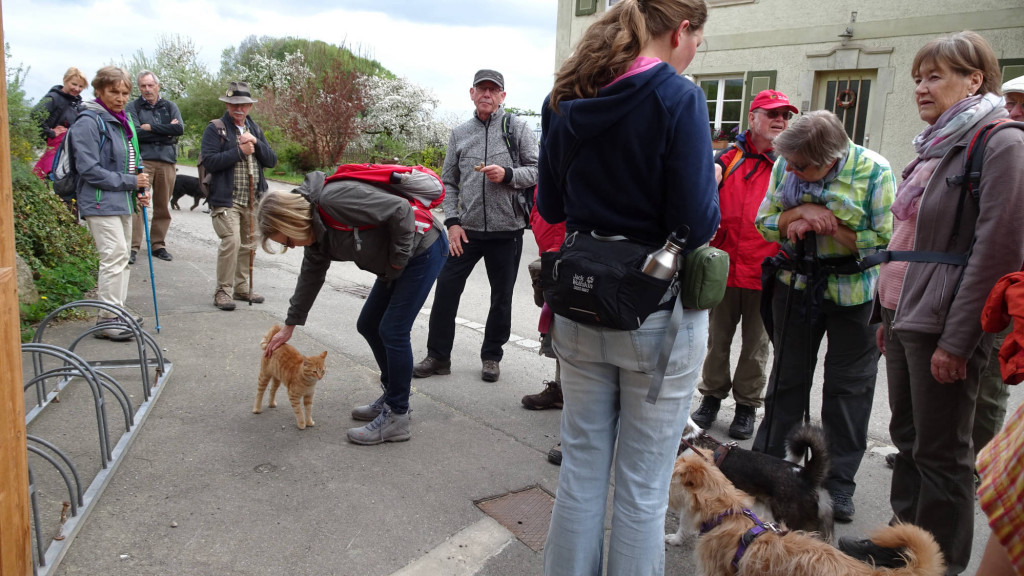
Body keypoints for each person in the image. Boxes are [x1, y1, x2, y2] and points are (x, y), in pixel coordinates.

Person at [537, 0, 719, 573]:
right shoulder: (678, 97)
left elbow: (550, 204)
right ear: (681, 30)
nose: (693, 54)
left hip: (580, 299)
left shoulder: (566, 96)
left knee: (582, 471)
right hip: (654, 310)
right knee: (641, 490)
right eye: (697, 41)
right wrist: (708, 177)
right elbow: (695, 221)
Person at [873, 31, 1024, 575]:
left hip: (944, 322)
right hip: (905, 311)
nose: (920, 87)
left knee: (942, 455)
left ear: (975, 79)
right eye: (917, 77)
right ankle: (902, 546)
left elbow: (997, 252)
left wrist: (959, 340)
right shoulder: (937, 144)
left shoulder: (1001, 142)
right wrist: (883, 313)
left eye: (935, 76)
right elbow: (910, 237)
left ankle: (940, 564)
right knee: (908, 442)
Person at [752, 110, 895, 523]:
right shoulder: (788, 160)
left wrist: (833, 228)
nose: (792, 170)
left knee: (848, 391)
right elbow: (764, 222)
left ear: (832, 158)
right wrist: (798, 215)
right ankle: (768, 470)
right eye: (790, 164)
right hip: (795, 288)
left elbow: (885, 240)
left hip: (854, 295)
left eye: (802, 167)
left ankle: (837, 484)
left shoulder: (875, 171)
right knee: (786, 381)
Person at [257, 170, 448, 445]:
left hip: (422, 250)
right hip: (398, 261)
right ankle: (393, 393)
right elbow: (311, 275)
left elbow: (401, 210)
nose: (292, 246)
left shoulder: (335, 200)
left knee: (393, 330)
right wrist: (290, 325)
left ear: (291, 220)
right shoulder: (315, 231)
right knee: (369, 324)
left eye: (286, 240)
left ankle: (397, 415)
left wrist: (396, 262)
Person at [413, 69, 538, 383]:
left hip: (506, 230)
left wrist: (508, 175)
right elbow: (448, 182)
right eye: (481, 89)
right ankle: (439, 356)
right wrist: (452, 223)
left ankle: (491, 357)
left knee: (502, 297)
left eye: (493, 90)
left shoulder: (518, 128)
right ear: (472, 93)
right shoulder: (460, 133)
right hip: (464, 232)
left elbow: (538, 171)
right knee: (446, 292)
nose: (487, 94)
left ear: (502, 97)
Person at [690, 89, 792, 440]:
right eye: (772, 114)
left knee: (756, 345)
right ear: (753, 118)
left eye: (785, 115)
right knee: (717, 341)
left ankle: (747, 406)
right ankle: (711, 399)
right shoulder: (727, 159)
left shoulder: (789, 165)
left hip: (766, 271)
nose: (780, 120)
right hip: (723, 269)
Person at [69, 66, 150, 340]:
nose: (120, 97)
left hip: (123, 201)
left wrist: (140, 186)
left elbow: (132, 161)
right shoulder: (88, 122)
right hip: (99, 202)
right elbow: (89, 169)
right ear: (100, 90)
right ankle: (106, 318)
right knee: (113, 256)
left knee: (122, 257)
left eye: (125, 92)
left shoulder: (122, 121)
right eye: (113, 91)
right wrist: (131, 182)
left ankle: (117, 310)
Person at [972, 74, 1024, 459]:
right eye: (1011, 102)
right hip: (974, 284)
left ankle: (978, 459)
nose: (1015, 112)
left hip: (1010, 294)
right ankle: (951, 451)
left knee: (989, 384)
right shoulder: (995, 149)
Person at [201, 81, 277, 311]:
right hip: (226, 199)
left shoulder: (255, 129)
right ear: (226, 104)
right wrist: (239, 152)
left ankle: (242, 288)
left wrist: (255, 143)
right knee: (231, 242)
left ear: (249, 106)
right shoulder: (215, 129)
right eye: (234, 104)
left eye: (243, 104)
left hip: (253, 200)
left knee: (248, 244)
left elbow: (271, 161)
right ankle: (223, 291)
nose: (239, 109)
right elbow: (210, 162)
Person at [126, 70, 183, 265]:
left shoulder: (170, 106)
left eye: (151, 85)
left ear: (158, 86)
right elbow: (135, 133)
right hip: (143, 161)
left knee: (162, 205)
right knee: (139, 202)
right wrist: (165, 131)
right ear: (139, 87)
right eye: (143, 86)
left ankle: (158, 244)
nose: (147, 89)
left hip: (167, 161)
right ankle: (133, 246)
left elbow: (179, 130)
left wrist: (149, 127)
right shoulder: (132, 106)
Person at [32, 67, 87, 179]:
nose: (77, 89)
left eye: (81, 86)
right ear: (65, 81)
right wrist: (50, 132)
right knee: (48, 173)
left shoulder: (76, 103)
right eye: (74, 84)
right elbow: (35, 115)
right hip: (53, 146)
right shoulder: (54, 98)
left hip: (66, 147)